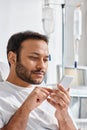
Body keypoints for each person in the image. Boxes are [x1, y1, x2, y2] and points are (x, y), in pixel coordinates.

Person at [0, 31, 77, 130]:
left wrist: (63, 116)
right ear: (13, 58)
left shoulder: (53, 97)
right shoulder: (2, 97)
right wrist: (26, 108)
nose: (42, 66)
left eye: (45, 60)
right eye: (34, 58)